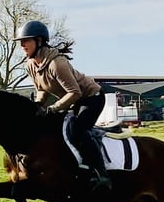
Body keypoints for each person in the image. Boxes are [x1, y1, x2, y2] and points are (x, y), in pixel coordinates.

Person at [14, 20, 112, 193]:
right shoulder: (31, 65)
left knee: (78, 130)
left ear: (39, 41)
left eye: (26, 41)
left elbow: (75, 93)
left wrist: (53, 108)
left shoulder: (57, 64)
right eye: (21, 42)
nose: (22, 45)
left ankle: (101, 174)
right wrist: (38, 105)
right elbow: (41, 90)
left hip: (92, 98)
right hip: (74, 100)